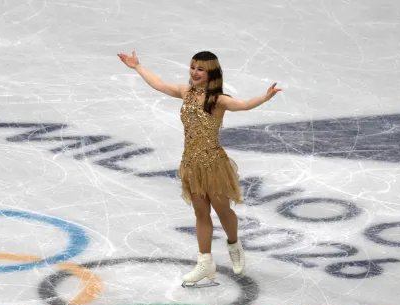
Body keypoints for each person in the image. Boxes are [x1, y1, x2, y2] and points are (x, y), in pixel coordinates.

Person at [117, 50, 282, 287]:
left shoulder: (218, 100)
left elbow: (243, 105)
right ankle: (205, 262)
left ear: (211, 72)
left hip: (213, 164)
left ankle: (234, 243)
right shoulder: (186, 93)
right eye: (193, 67)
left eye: (201, 69)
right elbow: (159, 85)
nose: (194, 73)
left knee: (222, 210)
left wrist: (264, 98)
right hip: (191, 164)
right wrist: (137, 66)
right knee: (200, 212)